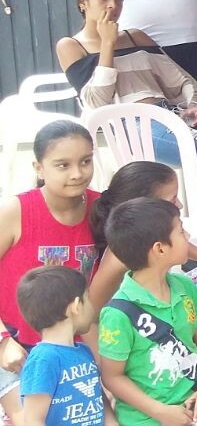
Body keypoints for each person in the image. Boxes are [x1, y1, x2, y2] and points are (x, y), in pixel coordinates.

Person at [57, 0, 197, 214]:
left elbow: (182, 79)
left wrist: (193, 104)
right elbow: (96, 101)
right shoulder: (71, 45)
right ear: (83, 3)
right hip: (132, 126)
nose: (113, 5)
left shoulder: (135, 37)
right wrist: (107, 45)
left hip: (172, 115)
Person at [98, 198, 197, 426]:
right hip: (147, 419)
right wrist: (160, 412)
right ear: (160, 248)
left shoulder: (185, 287)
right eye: (181, 231)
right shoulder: (118, 314)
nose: (188, 236)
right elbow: (112, 377)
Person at [86, 162, 197, 346]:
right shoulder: (119, 258)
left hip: (165, 308)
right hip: (141, 339)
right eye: (173, 200)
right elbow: (89, 319)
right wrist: (108, 368)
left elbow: (181, 245)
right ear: (145, 208)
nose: (180, 205)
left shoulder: (150, 235)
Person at [0, 122, 99, 354]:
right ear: (39, 168)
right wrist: (3, 341)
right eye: (63, 165)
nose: (77, 174)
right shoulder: (16, 211)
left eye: (85, 161)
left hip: (85, 345)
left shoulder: (103, 209)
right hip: (18, 346)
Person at [17, 266, 106, 426]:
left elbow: (98, 398)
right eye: (88, 298)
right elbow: (33, 420)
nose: (93, 307)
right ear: (77, 306)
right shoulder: (42, 359)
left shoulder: (85, 351)